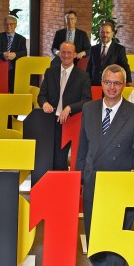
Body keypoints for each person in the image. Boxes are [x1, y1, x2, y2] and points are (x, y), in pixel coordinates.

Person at [76, 64, 134, 266]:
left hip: (120, 183)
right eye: (108, 82)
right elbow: (83, 147)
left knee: (118, 234)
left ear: (124, 85)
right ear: (101, 82)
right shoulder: (89, 109)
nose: (112, 87)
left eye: (117, 83)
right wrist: (79, 178)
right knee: (95, 234)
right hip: (94, 181)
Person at [38, 41, 92, 170]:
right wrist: (44, 103)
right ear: (59, 54)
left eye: (69, 52)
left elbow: (87, 100)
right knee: (47, 156)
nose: (66, 55)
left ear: (74, 54)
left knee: (60, 157)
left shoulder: (83, 76)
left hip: (69, 121)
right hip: (50, 121)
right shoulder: (50, 72)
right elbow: (41, 96)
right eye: (63, 52)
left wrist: (70, 108)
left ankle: (60, 179)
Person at [86, 22, 132, 86]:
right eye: (102, 32)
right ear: (99, 33)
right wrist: (86, 80)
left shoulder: (119, 49)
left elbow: (125, 66)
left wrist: (129, 81)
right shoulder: (94, 49)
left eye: (107, 32)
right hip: (94, 84)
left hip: (111, 84)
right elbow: (89, 67)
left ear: (112, 34)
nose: (104, 35)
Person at [0, 14, 27, 93]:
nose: (9, 26)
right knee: (1, 92)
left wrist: (15, 54)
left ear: (16, 25)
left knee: (14, 91)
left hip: (15, 70)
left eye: (11, 24)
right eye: (6, 24)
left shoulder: (21, 39)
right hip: (0, 69)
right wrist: (3, 54)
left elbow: (24, 52)